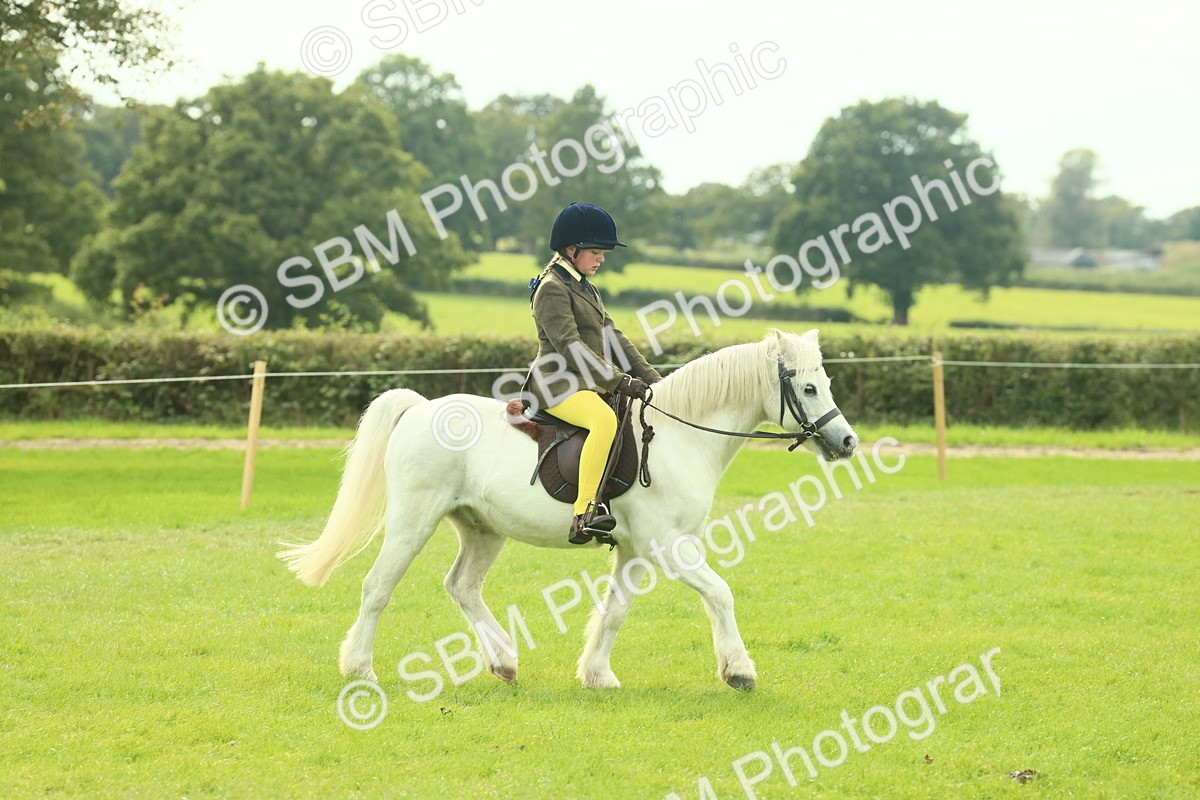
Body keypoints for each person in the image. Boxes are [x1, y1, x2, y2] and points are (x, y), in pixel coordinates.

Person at [525, 202, 662, 545]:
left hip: (586, 382)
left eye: (603, 253)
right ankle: (584, 511)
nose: (602, 258)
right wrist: (618, 381)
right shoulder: (552, 288)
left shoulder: (585, 285)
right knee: (604, 421)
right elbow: (570, 346)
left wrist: (656, 380)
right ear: (571, 250)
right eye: (596, 252)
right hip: (556, 384)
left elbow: (612, 336)